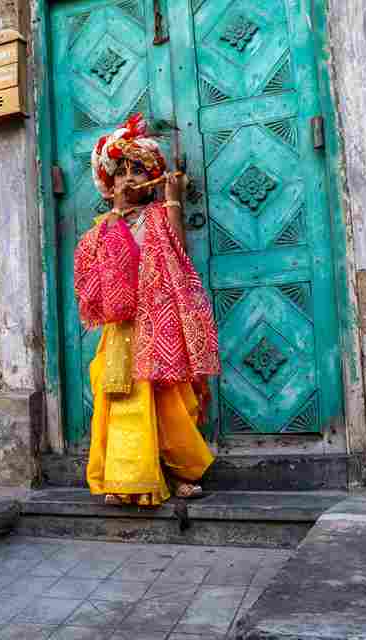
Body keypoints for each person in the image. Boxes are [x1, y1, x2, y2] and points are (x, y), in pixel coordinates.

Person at [74, 113, 221, 507]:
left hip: (158, 323)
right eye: (120, 172)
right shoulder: (100, 229)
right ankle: (125, 478)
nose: (129, 178)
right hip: (121, 328)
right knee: (121, 401)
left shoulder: (156, 216)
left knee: (168, 403)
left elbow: (179, 249)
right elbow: (90, 278)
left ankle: (180, 474)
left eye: (139, 170)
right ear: (108, 185)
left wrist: (172, 197)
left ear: (152, 179)